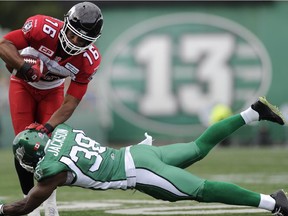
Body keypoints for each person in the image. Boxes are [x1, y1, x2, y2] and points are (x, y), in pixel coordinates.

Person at [0, 96, 287, 216]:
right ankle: (253, 112)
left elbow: (26, 206)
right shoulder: (61, 131)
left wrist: (1, 210)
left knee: (201, 190)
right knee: (198, 147)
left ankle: (274, 203)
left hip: (139, 172)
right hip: (139, 152)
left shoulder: (52, 171)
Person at [0, 2, 103, 216]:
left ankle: (49, 202)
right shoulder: (41, 27)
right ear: (65, 25)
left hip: (53, 91)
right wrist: (24, 66)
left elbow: (71, 101)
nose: (75, 42)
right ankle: (31, 207)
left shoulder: (88, 60)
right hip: (23, 85)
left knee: (50, 147)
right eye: (73, 35)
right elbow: (4, 44)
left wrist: (47, 127)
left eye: (82, 39)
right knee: (24, 143)